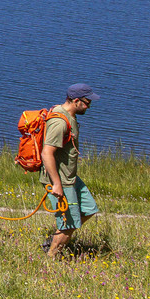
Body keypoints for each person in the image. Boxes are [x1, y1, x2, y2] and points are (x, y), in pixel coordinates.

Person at [42, 82, 100, 258]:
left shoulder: (68, 115)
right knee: (69, 223)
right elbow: (46, 153)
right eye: (87, 102)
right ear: (76, 101)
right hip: (61, 181)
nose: (89, 106)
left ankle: (56, 238)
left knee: (89, 208)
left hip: (71, 177)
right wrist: (57, 184)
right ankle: (51, 258)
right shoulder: (60, 122)